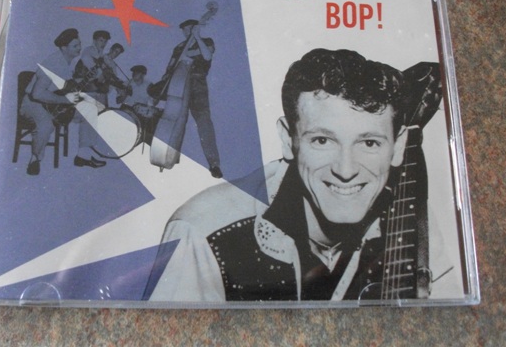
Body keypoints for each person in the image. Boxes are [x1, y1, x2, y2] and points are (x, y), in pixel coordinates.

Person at [146, 48, 455, 302]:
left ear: (399, 147)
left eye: (369, 143)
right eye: (322, 141)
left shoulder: (409, 218)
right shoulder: (203, 232)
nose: (346, 170)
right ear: (288, 139)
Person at [20, 28, 107, 175]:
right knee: (46, 125)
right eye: (75, 46)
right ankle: (35, 159)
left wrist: (89, 78)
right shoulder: (52, 63)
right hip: (33, 103)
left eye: (80, 44)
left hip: (53, 103)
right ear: (63, 47)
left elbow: (66, 85)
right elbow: (37, 93)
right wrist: (64, 100)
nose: (79, 48)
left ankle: (83, 155)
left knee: (90, 110)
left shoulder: (68, 61)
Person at [156, 17, 222, 178]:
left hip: (197, 84)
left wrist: (197, 38)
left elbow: (207, 56)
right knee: (176, 120)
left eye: (190, 28)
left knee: (204, 122)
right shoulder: (179, 47)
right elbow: (170, 67)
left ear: (196, 28)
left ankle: (214, 164)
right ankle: (165, 156)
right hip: (178, 84)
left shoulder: (205, 41)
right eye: (185, 29)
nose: (187, 32)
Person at [74, 30, 112, 107]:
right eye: (101, 40)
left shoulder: (100, 54)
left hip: (90, 84)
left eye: (105, 41)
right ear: (94, 40)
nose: (103, 44)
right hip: (81, 84)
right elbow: (97, 72)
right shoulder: (88, 51)